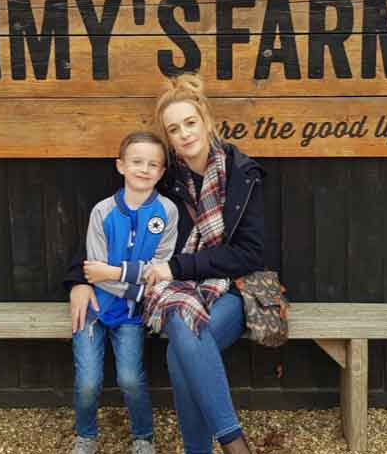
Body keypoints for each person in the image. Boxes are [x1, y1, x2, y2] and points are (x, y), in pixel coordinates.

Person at [68, 73, 265, 454]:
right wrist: (79, 279)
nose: (185, 134)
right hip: (176, 291)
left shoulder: (241, 174)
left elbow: (249, 253)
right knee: (182, 333)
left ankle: (227, 444)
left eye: (190, 123)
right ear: (169, 138)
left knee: (184, 341)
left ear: (206, 121)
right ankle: (228, 445)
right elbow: (109, 225)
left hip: (230, 287)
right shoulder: (165, 177)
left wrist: (177, 269)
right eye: (174, 129)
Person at [69, 131, 177, 454]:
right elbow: (94, 273)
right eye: (137, 162)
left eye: (153, 164)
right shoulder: (102, 212)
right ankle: (85, 436)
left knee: (130, 379)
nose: (144, 169)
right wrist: (135, 282)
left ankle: (143, 438)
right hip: (93, 311)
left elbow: (161, 270)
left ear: (161, 172)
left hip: (132, 314)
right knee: (88, 383)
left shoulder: (167, 212)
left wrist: (122, 278)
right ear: (121, 166)